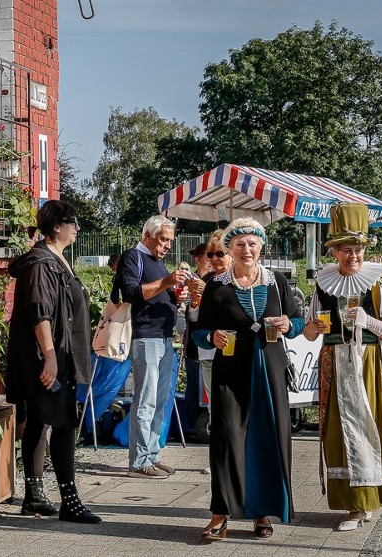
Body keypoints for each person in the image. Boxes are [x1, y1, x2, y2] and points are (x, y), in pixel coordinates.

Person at [193, 217, 304, 540]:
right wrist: (211, 337)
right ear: (230, 248)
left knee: (268, 438)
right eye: (239, 244)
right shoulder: (218, 285)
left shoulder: (276, 282)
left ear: (261, 248)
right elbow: (199, 332)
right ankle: (220, 514)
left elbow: (298, 321)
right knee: (226, 438)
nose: (246, 249)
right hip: (230, 371)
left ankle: (262, 513)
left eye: (252, 244)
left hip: (269, 369)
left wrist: (288, 325)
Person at [305, 203, 382, 531]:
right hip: (335, 365)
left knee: (368, 430)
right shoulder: (323, 286)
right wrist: (315, 329)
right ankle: (354, 504)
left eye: (358, 249)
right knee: (340, 434)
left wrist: (369, 321)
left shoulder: (378, 287)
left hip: (368, 366)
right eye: (347, 250)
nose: (354, 256)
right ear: (336, 253)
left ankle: (365, 503)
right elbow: (308, 330)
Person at [5, 200, 101, 524]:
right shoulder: (42, 263)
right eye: (73, 222)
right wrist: (50, 358)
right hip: (50, 358)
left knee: (40, 421)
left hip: (58, 356)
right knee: (62, 423)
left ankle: (33, 496)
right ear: (57, 226)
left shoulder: (55, 259)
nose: (77, 228)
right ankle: (69, 500)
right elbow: (39, 311)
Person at [116, 215, 190, 479]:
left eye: (171, 240)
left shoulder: (158, 263)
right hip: (144, 336)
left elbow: (159, 293)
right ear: (147, 235)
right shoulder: (132, 257)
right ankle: (138, 461)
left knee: (160, 401)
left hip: (164, 337)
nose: (168, 245)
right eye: (163, 239)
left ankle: (153, 454)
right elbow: (132, 293)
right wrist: (168, 282)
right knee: (145, 401)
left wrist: (175, 294)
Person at [183, 237, 222, 440]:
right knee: (214, 404)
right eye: (210, 255)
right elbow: (194, 318)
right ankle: (219, 456)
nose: (213, 259)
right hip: (207, 351)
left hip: (233, 352)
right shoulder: (206, 281)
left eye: (218, 254)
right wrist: (196, 303)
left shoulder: (238, 280)